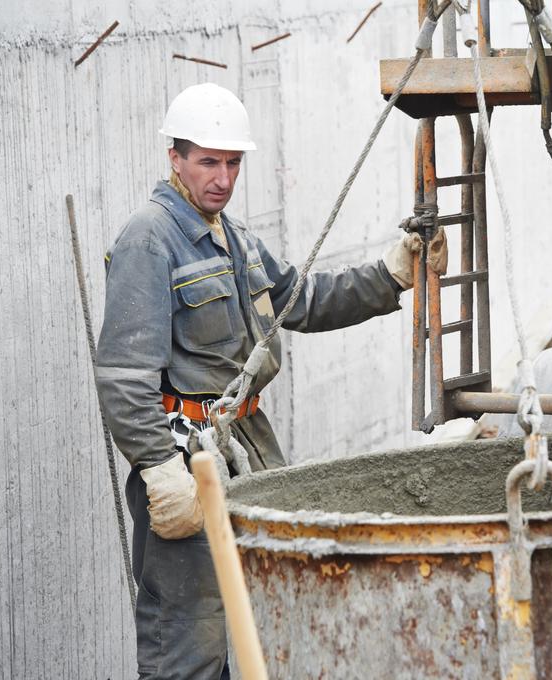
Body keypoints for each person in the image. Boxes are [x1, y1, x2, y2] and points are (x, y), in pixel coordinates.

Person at [95, 82, 444, 679]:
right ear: (174, 158)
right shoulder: (148, 240)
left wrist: (392, 275)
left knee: (256, 623)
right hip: (187, 462)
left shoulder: (234, 237)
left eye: (233, 163)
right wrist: (159, 468)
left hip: (247, 453)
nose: (223, 178)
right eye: (209, 161)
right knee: (191, 640)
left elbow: (302, 301)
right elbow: (124, 376)